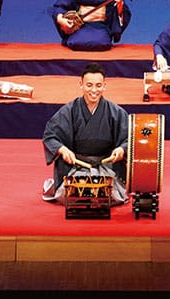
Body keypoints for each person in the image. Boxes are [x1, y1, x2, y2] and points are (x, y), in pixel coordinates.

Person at [42, 63, 129, 206]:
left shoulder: (116, 112)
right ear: (81, 84)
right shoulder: (69, 110)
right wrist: (62, 150)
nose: (94, 90)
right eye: (89, 85)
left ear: (104, 86)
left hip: (107, 167)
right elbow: (50, 136)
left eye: (98, 85)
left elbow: (129, 138)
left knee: (109, 196)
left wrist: (121, 149)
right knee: (73, 194)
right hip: (76, 166)